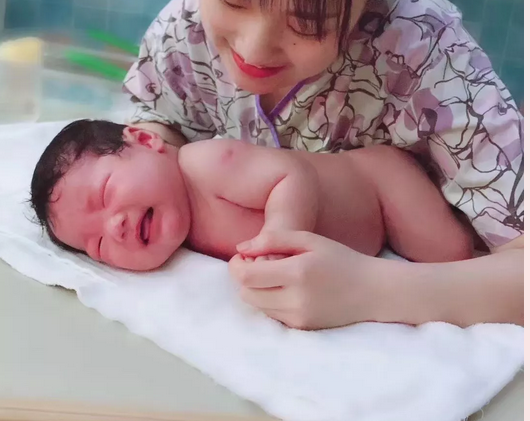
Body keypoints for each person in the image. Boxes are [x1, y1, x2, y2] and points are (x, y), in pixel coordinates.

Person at [122, 0, 523, 329]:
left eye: (307, 22)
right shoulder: (185, 30)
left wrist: (371, 290)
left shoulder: (425, 56)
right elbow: (152, 129)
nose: (253, 48)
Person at [29, 118, 472, 275]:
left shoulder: (205, 164)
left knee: (451, 254)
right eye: (98, 245)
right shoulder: (183, 239)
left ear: (145, 140)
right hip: (371, 236)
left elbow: (291, 175)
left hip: (379, 184)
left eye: (105, 193)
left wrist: (281, 234)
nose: (115, 226)